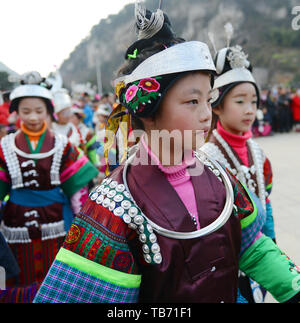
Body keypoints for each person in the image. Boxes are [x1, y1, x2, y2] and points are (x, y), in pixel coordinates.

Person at [34, 4, 300, 303]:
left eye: (208, 99)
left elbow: (253, 248)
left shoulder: (219, 176)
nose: (206, 115)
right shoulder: (114, 202)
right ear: (147, 110)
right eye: (191, 102)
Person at [0, 72, 99, 303]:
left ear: (48, 112)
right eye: (26, 111)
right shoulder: (4, 146)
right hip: (15, 225)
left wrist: (82, 225)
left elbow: (78, 191)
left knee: (55, 277)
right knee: (20, 277)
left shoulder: (63, 145)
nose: (33, 117)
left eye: (39, 111)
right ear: (17, 113)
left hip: (57, 223)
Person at [201, 37, 276, 302]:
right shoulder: (207, 158)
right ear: (217, 105)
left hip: (261, 261)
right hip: (227, 267)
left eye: (254, 102)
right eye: (240, 101)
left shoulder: (259, 153)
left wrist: (272, 246)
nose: (250, 110)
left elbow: (266, 206)